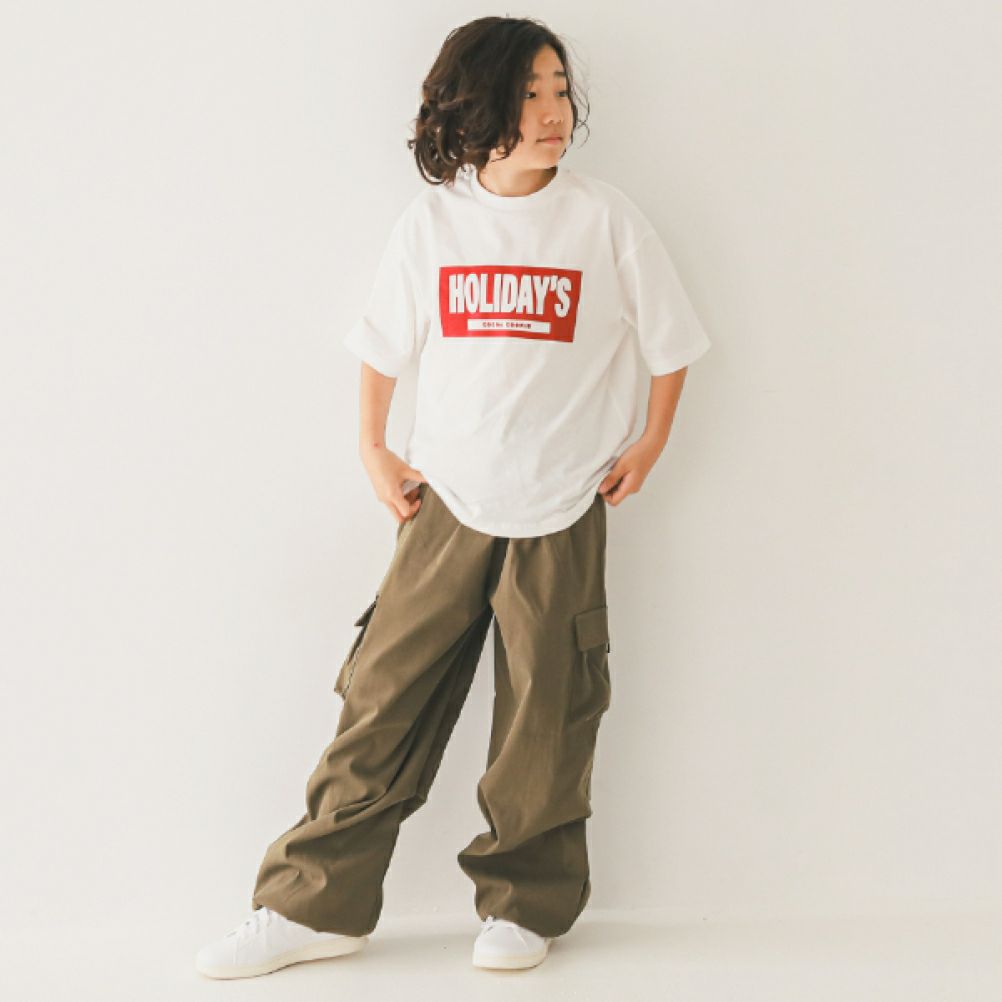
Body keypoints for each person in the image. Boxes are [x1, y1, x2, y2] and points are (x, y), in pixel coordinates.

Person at [195, 14, 711, 980]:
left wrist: (652, 440)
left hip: (562, 507)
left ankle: (523, 903)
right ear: (475, 108)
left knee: (547, 716)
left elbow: (672, 342)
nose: (553, 113)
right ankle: (316, 907)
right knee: (381, 700)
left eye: (560, 91)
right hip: (447, 502)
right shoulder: (434, 224)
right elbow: (382, 346)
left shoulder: (604, 220)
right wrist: (373, 448)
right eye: (529, 94)